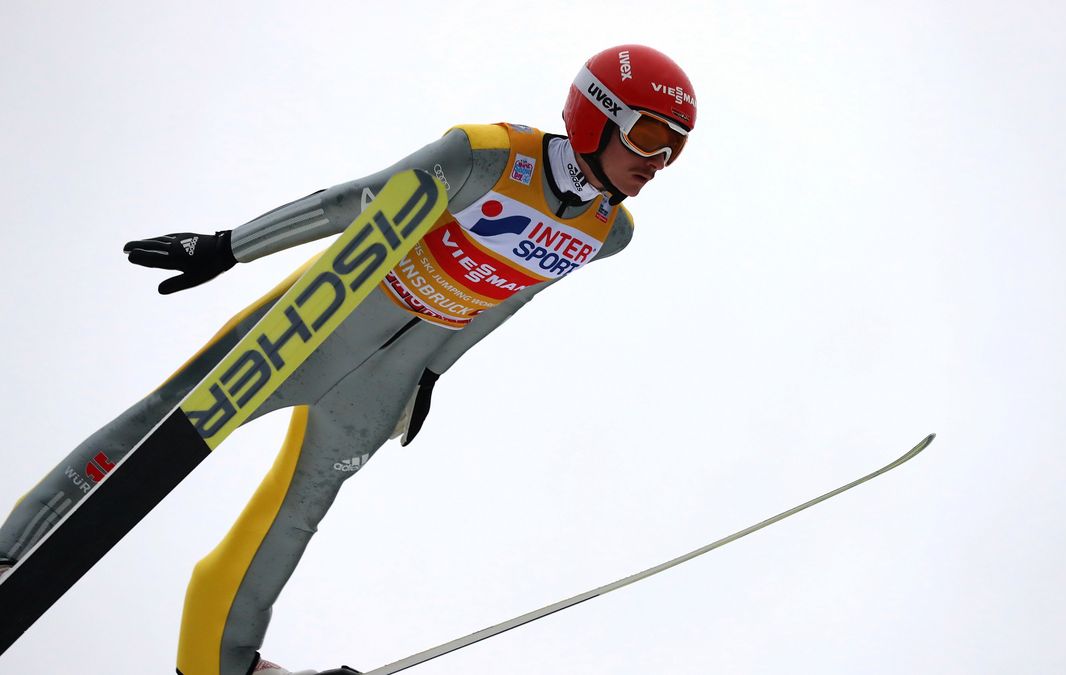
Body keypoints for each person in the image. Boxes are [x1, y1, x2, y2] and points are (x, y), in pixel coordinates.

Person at [0, 44, 697, 675]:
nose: (657, 161)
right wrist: (224, 247)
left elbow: (506, 301)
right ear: (595, 116)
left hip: (390, 373)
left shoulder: (608, 233)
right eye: (650, 135)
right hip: (322, 321)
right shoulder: (487, 155)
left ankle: (219, 657)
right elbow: (350, 203)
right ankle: (13, 547)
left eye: (675, 149)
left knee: (300, 509)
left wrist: (428, 376)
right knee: (163, 423)